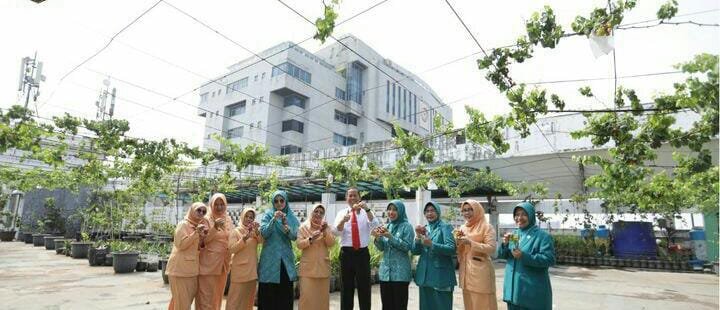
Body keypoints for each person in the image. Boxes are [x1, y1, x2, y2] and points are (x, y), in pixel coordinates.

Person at [498, 202, 555, 310]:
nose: (519, 218)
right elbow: (502, 255)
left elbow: (549, 259)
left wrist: (524, 256)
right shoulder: (514, 234)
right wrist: (505, 244)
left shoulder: (542, 236)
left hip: (531, 294)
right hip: (513, 292)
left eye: (524, 214)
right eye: (517, 214)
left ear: (531, 215)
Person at [333, 188, 379, 310]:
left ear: (359, 197)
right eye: (350, 196)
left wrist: (367, 209)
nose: (352, 198)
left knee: (364, 287)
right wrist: (343, 221)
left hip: (362, 254)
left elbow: (376, 225)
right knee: (346, 288)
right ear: (346, 199)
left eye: (355, 196)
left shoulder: (366, 212)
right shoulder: (341, 213)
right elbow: (336, 232)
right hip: (346, 254)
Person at [257, 190, 299, 310]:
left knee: (284, 294)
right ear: (273, 203)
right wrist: (274, 220)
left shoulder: (290, 217)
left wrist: (286, 227)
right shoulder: (268, 215)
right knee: (268, 295)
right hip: (269, 261)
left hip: (285, 261)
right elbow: (264, 233)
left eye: (282, 200)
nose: (279, 203)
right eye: (276, 201)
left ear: (286, 201)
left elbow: (295, 236)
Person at [411, 201, 457, 310]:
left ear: (438, 212)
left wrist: (432, 245)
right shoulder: (424, 228)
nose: (429, 214)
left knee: (441, 306)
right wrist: (417, 236)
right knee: (426, 306)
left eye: (432, 211)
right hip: (424, 276)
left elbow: (451, 249)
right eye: (427, 211)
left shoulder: (446, 227)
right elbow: (415, 251)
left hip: (440, 276)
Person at [456, 199, 498, 310]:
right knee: (469, 305)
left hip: (481, 274)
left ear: (478, 210)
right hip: (465, 273)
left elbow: (492, 248)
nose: (467, 213)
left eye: (470, 209)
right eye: (464, 210)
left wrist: (471, 243)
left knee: (483, 305)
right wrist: (457, 242)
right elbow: (460, 250)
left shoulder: (486, 227)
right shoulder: (462, 228)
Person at [166, 202, 209, 310]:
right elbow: (180, 245)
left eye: (204, 211)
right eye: (198, 210)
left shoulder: (198, 227)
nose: (201, 213)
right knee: (183, 305)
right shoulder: (183, 224)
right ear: (192, 211)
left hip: (191, 270)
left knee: (182, 303)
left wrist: (202, 238)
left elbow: (197, 248)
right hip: (179, 270)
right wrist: (195, 233)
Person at [372, 199, 414, 310]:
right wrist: (377, 237)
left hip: (400, 274)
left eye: (395, 209)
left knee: (399, 306)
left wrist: (391, 237)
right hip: (385, 274)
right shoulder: (387, 226)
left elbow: (407, 247)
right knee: (386, 306)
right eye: (389, 209)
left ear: (401, 211)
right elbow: (382, 248)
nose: (391, 212)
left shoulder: (407, 226)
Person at [197, 193, 234, 310]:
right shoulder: (206, 219)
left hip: (223, 263)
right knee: (205, 297)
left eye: (221, 204)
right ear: (211, 205)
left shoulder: (227, 219)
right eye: (216, 204)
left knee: (217, 296)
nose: (219, 207)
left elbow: (231, 237)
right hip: (209, 264)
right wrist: (215, 228)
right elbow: (204, 241)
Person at [297, 204, 335, 310]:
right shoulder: (303, 227)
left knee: (322, 299)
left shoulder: (326, 227)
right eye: (316, 211)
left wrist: (325, 231)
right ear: (311, 212)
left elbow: (331, 243)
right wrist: (310, 239)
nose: (318, 214)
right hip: (308, 270)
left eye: (321, 212)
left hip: (323, 268)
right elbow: (299, 244)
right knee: (306, 298)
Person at [227, 207, 262, 310]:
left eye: (251, 217)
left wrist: (257, 231)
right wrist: (244, 238)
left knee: (248, 299)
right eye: (246, 216)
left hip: (251, 271)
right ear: (242, 217)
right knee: (235, 299)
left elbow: (261, 241)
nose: (248, 219)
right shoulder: (236, 231)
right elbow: (232, 249)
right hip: (239, 271)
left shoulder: (254, 232)